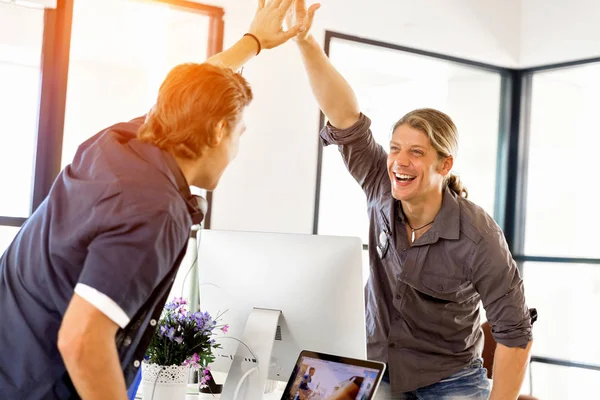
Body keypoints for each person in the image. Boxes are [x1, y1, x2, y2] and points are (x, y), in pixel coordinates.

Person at [0, 1, 307, 398]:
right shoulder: (156, 209)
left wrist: (253, 43)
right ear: (217, 132)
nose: (236, 150)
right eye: (239, 133)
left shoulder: (117, 144)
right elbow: (82, 339)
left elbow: (187, 93)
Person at [288, 1, 533, 399]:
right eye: (396, 148)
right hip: (376, 368)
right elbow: (345, 116)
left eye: (416, 153)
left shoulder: (477, 236)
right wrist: (304, 42)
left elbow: (515, 334)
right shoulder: (379, 185)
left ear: (445, 164)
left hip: (450, 380)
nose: (399, 161)